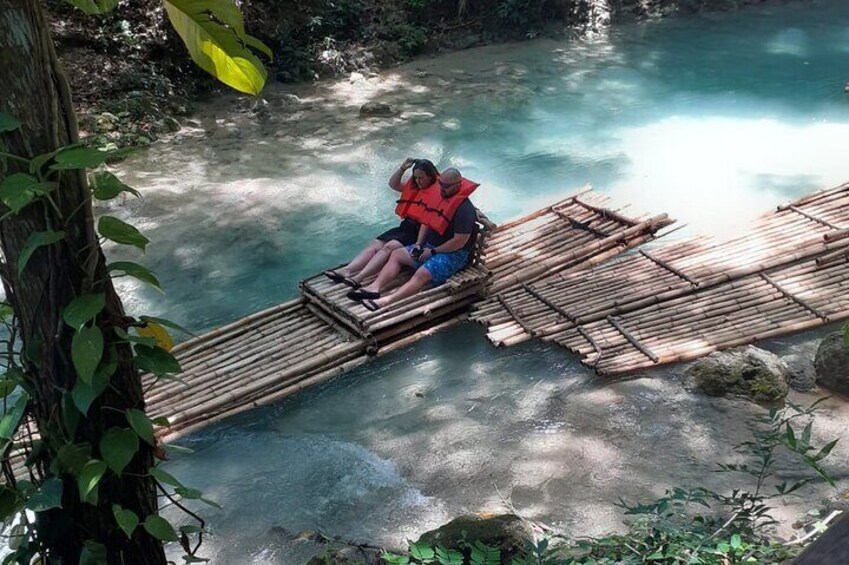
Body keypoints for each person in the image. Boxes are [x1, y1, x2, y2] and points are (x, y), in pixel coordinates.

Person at [347, 168, 478, 311]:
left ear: (458, 185)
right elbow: (426, 222)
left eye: (446, 186)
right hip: (430, 246)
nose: (441, 188)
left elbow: (459, 241)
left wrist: (433, 252)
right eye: (441, 184)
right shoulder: (440, 198)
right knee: (396, 254)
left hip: (453, 254)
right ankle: (374, 287)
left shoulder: (465, 210)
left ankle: (387, 301)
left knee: (421, 273)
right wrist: (418, 244)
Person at [324, 158, 439, 288]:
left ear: (430, 177)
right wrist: (402, 168)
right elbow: (393, 184)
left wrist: (419, 244)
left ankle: (359, 278)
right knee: (375, 243)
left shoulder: (438, 193)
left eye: (421, 178)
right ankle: (348, 270)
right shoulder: (415, 186)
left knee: (389, 246)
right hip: (406, 226)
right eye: (416, 177)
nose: (418, 181)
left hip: (419, 233)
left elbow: (427, 222)